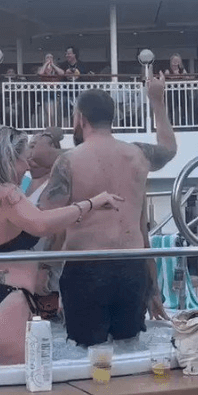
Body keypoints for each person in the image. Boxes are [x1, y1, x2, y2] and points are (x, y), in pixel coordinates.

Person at [0, 126, 123, 363]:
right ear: (8, 157)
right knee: (21, 389)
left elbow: (26, 222)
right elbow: (42, 225)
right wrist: (91, 203)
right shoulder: (6, 192)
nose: (27, 167)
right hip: (5, 301)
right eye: (23, 160)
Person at [39, 71, 176, 347]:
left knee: (87, 354)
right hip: (132, 267)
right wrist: (157, 101)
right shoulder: (138, 154)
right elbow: (169, 148)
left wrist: (42, 267)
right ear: (111, 118)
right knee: (129, 349)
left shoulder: (68, 161)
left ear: (80, 118)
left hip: (86, 267)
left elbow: (46, 220)